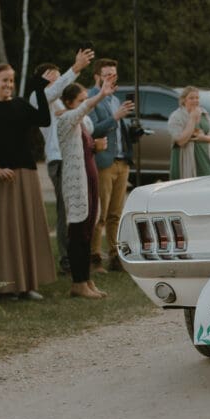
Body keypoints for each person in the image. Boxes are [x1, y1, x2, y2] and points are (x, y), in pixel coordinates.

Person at [0, 50, 91, 297]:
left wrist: (37, 87)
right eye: (4, 80)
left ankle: (26, 286)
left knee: (25, 229)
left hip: (24, 173)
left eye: (12, 81)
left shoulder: (20, 105)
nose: (8, 85)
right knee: (1, 232)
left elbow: (43, 120)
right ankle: (1, 287)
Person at [23, 61, 83, 275]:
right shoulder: (38, 97)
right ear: (44, 78)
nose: (59, 82)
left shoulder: (59, 102)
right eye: (54, 77)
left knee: (76, 208)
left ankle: (77, 254)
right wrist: (75, 69)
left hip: (71, 156)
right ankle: (65, 259)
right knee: (63, 211)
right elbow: (52, 92)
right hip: (56, 159)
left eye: (60, 77)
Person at [56, 81, 111, 299]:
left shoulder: (81, 124)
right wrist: (100, 96)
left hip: (89, 178)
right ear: (69, 103)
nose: (84, 103)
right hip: (76, 182)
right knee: (78, 232)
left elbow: (84, 149)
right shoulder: (65, 119)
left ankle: (87, 279)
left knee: (88, 230)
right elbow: (84, 109)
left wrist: (95, 146)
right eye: (80, 100)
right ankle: (77, 283)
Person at [87, 58, 135, 273]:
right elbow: (92, 130)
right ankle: (94, 257)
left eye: (114, 75)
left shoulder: (115, 99)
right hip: (104, 162)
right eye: (107, 74)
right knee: (101, 214)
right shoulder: (92, 98)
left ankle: (116, 256)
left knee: (117, 213)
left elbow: (117, 130)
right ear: (97, 76)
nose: (111, 78)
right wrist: (115, 117)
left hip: (121, 160)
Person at [168, 86, 210, 180]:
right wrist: (192, 118)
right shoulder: (176, 116)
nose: (195, 100)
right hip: (185, 159)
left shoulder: (204, 113)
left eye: (197, 98)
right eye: (191, 98)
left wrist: (203, 138)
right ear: (184, 100)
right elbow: (180, 141)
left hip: (206, 157)